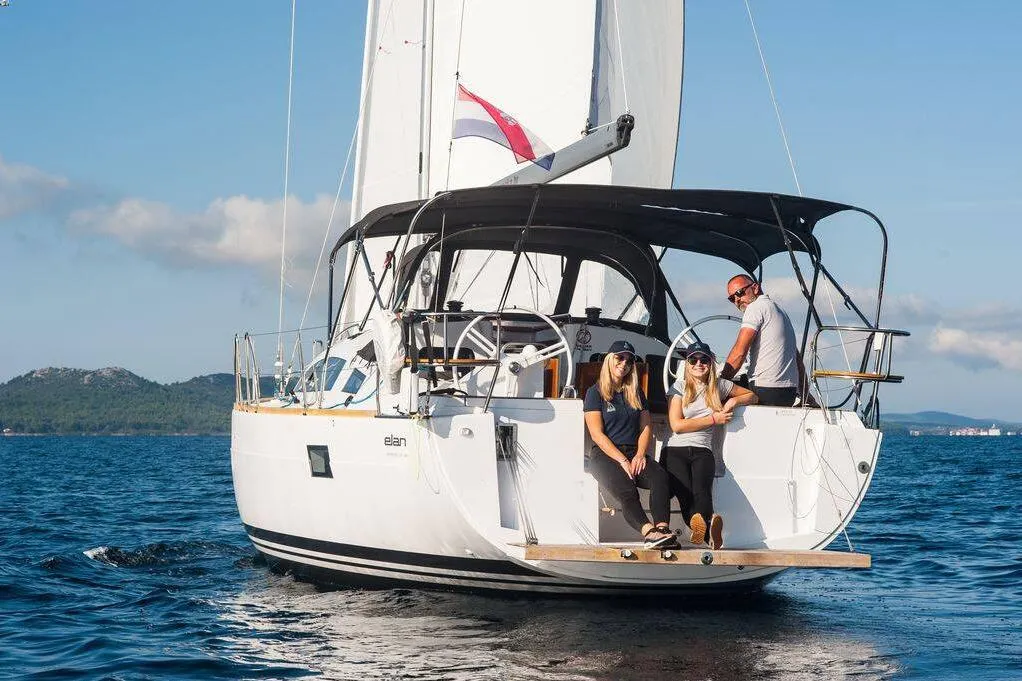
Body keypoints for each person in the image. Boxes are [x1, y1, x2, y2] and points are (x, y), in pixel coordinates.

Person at [583, 340, 679, 549]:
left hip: (634, 454)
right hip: (605, 456)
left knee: (660, 477)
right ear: (610, 359)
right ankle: (650, 533)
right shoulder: (594, 393)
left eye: (629, 360)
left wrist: (640, 454)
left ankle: (663, 530)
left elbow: (646, 427)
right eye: (620, 357)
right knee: (628, 491)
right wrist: (622, 460)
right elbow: (597, 434)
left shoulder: (636, 392)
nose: (624, 363)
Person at [662, 341, 757, 549]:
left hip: (702, 449)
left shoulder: (720, 386)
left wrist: (732, 401)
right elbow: (677, 425)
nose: (699, 364)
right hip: (674, 450)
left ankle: (705, 531)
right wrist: (714, 419)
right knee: (686, 495)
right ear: (687, 364)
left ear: (711, 363)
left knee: (702, 492)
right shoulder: (678, 387)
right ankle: (710, 530)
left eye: (704, 359)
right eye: (693, 360)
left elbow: (752, 396)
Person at [722, 274, 810, 407]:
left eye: (739, 293)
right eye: (731, 298)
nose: (737, 300)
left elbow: (739, 353)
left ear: (755, 288)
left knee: (715, 396)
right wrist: (806, 394)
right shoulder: (780, 311)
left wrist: (720, 383)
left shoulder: (755, 307)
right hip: (788, 393)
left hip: (764, 390)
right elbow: (796, 358)